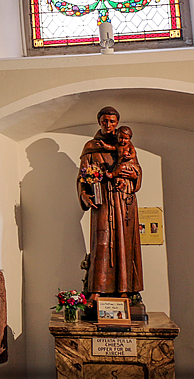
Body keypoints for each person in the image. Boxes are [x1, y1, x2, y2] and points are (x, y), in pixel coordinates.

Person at [77, 106, 143, 300]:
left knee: (124, 243)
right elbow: (82, 176)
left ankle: (126, 289)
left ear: (117, 123)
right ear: (99, 122)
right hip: (102, 199)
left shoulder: (126, 145)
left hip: (124, 200)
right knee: (102, 243)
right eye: (105, 121)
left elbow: (136, 169)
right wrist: (84, 195)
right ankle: (96, 290)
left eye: (112, 121)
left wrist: (134, 174)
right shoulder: (91, 147)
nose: (109, 125)